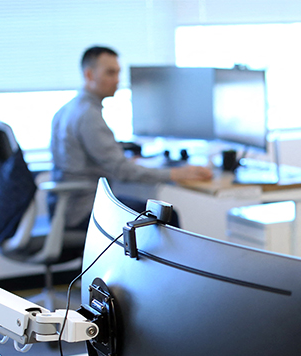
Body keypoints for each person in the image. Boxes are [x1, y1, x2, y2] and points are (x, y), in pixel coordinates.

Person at [50, 46, 212, 230]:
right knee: (167, 216)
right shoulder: (88, 115)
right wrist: (175, 173)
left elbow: (87, 159)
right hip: (84, 211)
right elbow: (122, 171)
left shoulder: (69, 109)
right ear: (89, 75)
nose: (117, 80)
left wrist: (124, 159)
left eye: (118, 73)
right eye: (110, 73)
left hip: (66, 209)